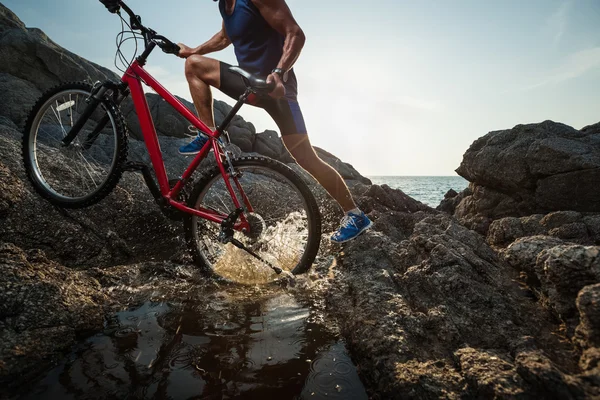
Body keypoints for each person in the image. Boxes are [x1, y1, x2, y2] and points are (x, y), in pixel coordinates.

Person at [100, 0, 372, 243]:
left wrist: (279, 71)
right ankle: (208, 133)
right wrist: (194, 49)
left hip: (277, 90)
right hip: (248, 82)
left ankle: (355, 215)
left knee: (306, 158)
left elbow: (295, 33)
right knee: (194, 64)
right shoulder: (225, 5)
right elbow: (224, 37)